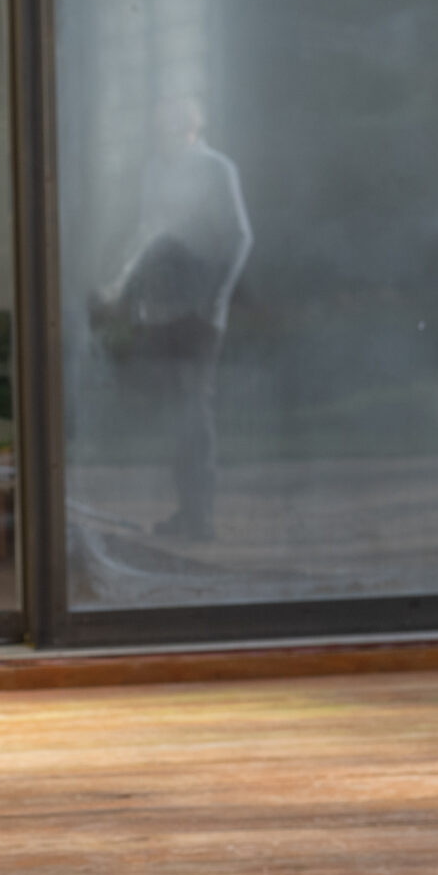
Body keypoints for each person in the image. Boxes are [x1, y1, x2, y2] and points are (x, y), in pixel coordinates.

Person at [90, 97, 253, 542]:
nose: (162, 136)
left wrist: (212, 299)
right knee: (175, 414)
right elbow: (148, 236)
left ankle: (200, 518)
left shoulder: (217, 170)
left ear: (191, 128)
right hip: (160, 312)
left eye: (170, 128)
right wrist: (120, 290)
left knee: (194, 410)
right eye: (158, 128)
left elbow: (239, 237)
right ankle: (188, 513)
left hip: (199, 316)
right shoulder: (155, 172)